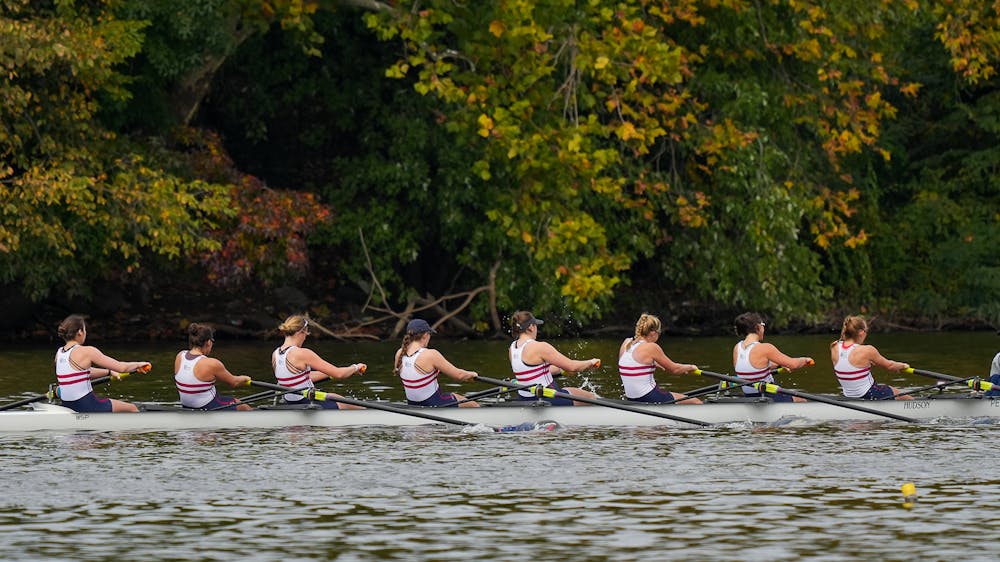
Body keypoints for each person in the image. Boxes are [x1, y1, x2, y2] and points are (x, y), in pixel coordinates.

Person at [54, 314, 150, 413]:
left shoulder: (59, 353)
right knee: (132, 408)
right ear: (80, 332)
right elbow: (121, 368)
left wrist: (109, 372)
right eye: (85, 330)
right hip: (88, 407)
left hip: (68, 406)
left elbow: (81, 373)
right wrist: (139, 364)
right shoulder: (87, 351)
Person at [273, 315, 366, 409]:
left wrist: (329, 374)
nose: (305, 338)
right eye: (306, 333)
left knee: (335, 397)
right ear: (301, 332)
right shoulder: (302, 353)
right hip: (306, 402)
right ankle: (368, 413)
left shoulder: (275, 354)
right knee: (348, 404)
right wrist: (356, 367)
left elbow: (297, 379)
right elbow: (340, 374)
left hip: (290, 403)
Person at [509, 310, 600, 406]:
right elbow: (572, 366)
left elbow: (531, 373)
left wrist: (561, 370)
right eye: (536, 325)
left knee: (570, 390)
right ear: (531, 327)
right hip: (548, 397)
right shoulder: (540, 346)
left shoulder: (512, 348)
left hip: (524, 399)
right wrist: (591, 362)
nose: (537, 329)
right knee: (590, 397)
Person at [393, 319, 480, 407]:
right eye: (430, 334)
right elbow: (459, 375)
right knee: (473, 405)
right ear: (426, 335)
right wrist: (472, 374)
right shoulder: (431, 354)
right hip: (436, 404)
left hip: (413, 405)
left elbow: (413, 373)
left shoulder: (399, 353)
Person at [618, 313, 701, 404]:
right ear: (653, 333)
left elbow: (631, 365)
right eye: (659, 333)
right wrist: (691, 367)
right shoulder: (651, 347)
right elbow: (675, 369)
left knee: (677, 397)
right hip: (650, 397)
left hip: (632, 399)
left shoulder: (626, 343)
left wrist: (653, 363)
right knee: (696, 401)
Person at [732, 312, 814, 403]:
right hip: (767, 396)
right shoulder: (765, 348)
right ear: (758, 327)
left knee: (789, 393)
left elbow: (753, 367)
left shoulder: (737, 348)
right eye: (763, 325)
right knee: (802, 400)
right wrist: (805, 360)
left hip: (749, 397)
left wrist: (779, 365)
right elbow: (793, 364)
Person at [830, 315, 913, 400]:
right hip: (869, 394)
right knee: (901, 395)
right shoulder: (868, 350)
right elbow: (890, 366)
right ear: (862, 332)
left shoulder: (834, 346)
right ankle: (919, 405)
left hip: (848, 396)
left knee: (884, 388)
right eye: (866, 331)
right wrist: (903, 366)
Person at [174, 323, 252, 410]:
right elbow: (234, 382)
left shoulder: (180, 356)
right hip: (208, 406)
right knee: (244, 406)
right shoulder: (212, 364)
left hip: (187, 406)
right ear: (209, 342)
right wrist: (245, 378)